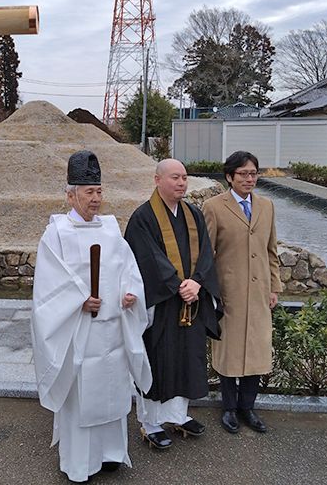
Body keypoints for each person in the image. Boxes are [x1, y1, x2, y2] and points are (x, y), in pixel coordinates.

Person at [31, 150, 152, 483]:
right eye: (89, 192)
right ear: (70, 195)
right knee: (82, 398)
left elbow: (128, 270)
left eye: (99, 191)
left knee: (113, 393)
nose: (96, 198)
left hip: (112, 330)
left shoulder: (112, 230)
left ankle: (112, 454)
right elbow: (49, 286)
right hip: (79, 333)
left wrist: (131, 294)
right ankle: (80, 464)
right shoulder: (56, 233)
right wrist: (79, 301)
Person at [124, 158, 221, 449]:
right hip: (162, 304)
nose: (181, 183)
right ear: (157, 180)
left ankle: (179, 415)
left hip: (191, 300)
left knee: (187, 360)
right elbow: (146, 257)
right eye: (175, 178)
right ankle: (150, 422)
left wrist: (198, 283)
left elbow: (206, 252)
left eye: (184, 178)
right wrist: (178, 285)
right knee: (158, 361)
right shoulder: (143, 217)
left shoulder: (193, 214)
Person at [202, 150, 282, 434]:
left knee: (257, 351)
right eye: (243, 174)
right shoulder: (213, 207)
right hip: (229, 293)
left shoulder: (267, 206)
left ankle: (248, 407)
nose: (249, 179)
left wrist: (275, 287)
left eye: (253, 173)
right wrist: (212, 291)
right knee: (229, 353)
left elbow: (271, 251)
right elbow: (206, 254)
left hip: (260, 292)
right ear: (229, 177)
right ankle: (229, 409)